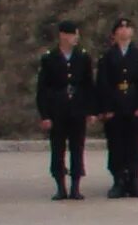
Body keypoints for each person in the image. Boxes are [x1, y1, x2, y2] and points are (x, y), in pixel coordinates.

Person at [94, 17, 138, 198]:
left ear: (132, 32)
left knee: (134, 144)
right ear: (114, 33)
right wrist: (106, 109)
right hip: (115, 106)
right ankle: (118, 180)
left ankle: (134, 180)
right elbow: (103, 84)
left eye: (128, 27)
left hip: (134, 105)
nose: (124, 30)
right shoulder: (107, 57)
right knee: (116, 144)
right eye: (120, 27)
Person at [35, 19, 94, 200]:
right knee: (58, 148)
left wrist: (91, 111)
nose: (76, 38)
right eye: (72, 34)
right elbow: (43, 89)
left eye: (77, 34)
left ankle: (75, 186)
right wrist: (45, 115)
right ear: (63, 35)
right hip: (57, 110)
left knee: (77, 147)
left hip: (77, 109)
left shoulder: (83, 57)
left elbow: (89, 86)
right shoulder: (49, 58)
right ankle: (60, 186)